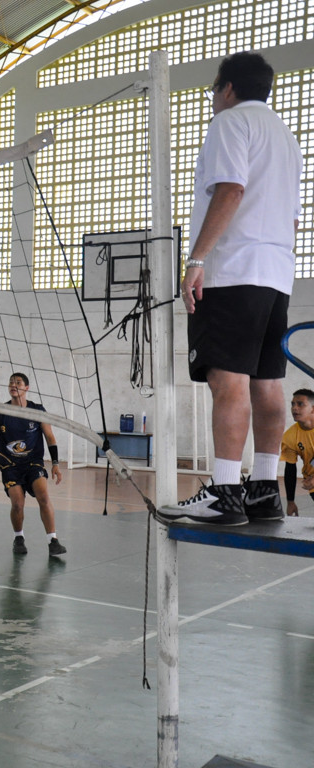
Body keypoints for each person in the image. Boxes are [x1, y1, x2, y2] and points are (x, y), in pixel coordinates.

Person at [160, 52, 302, 527]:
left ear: (227, 88)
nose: (212, 100)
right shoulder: (287, 138)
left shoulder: (229, 123)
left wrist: (196, 260)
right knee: (268, 383)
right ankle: (264, 491)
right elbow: (293, 216)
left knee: (229, 381)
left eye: (213, 91)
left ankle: (224, 493)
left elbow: (231, 190)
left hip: (232, 271)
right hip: (276, 275)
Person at [0, 373, 66, 557]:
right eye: (11, 382)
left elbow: (50, 437)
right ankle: (18, 538)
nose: (14, 385)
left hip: (33, 463)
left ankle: (53, 541)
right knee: (18, 504)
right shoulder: (0, 411)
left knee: (43, 496)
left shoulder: (37, 410)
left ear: (26, 388)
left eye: (18, 382)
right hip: (10, 466)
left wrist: (55, 464)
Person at [280, 388, 314, 518]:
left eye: (300, 404)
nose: (295, 408)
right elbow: (290, 469)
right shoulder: (289, 437)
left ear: (313, 409)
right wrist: (290, 501)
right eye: (293, 404)